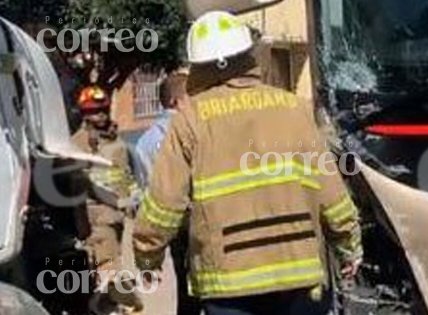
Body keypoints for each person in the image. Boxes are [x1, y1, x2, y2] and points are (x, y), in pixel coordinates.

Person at [132, 11, 363, 315]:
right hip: (299, 275)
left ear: (198, 66)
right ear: (247, 56)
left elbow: (164, 201)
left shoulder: (190, 119)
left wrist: (148, 256)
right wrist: (349, 246)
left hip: (228, 283)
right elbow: (331, 193)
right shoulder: (294, 109)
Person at [131, 73, 202, 315]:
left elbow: (146, 192)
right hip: (202, 221)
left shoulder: (144, 142)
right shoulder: (196, 131)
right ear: (176, 101)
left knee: (185, 287)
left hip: (174, 228)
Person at [71, 84, 142, 315]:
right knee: (108, 269)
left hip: (117, 219)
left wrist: (133, 200)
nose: (100, 114)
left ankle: (108, 305)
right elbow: (78, 187)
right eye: (94, 110)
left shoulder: (114, 140)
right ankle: (116, 305)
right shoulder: (78, 144)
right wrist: (82, 224)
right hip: (97, 222)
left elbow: (124, 175)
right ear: (84, 114)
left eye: (103, 108)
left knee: (110, 266)